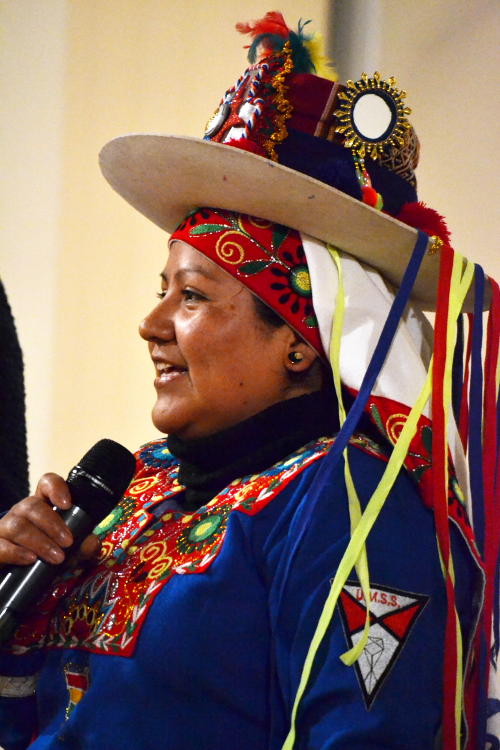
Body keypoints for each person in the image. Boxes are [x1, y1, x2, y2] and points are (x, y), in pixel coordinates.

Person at [0, 12, 498, 750]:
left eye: (193, 296)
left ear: (300, 342)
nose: (152, 322)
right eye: (161, 287)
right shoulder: (132, 488)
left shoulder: (352, 510)